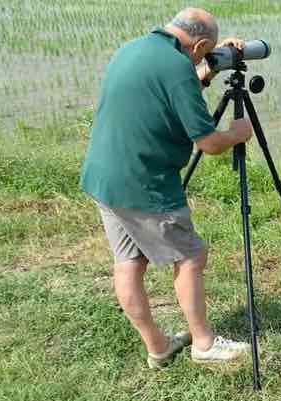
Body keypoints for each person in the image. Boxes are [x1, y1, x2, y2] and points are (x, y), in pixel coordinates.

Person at [80, 7, 255, 369]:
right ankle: (204, 344)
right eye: (207, 52)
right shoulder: (178, 69)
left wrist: (204, 71)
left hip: (103, 176)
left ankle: (158, 346)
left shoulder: (134, 48)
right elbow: (207, 141)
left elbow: (167, 94)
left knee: (129, 263)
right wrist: (236, 134)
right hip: (143, 183)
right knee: (190, 256)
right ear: (201, 44)